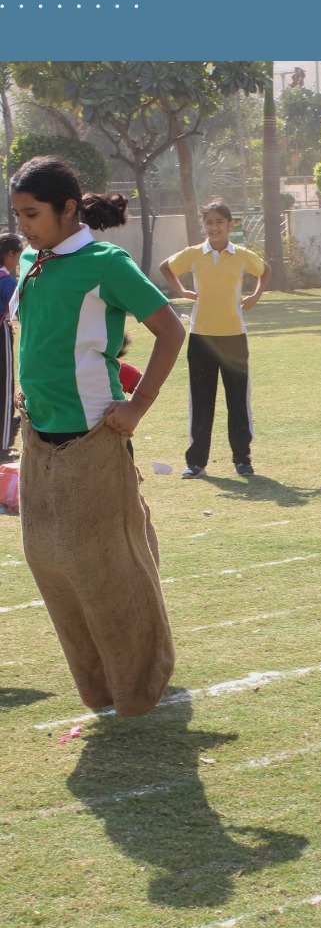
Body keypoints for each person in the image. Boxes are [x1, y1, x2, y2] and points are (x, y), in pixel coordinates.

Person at [8, 154, 185, 716]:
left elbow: (171, 330)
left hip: (91, 432)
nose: (23, 226)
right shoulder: (34, 260)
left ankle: (140, 679)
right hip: (39, 434)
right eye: (17, 215)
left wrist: (139, 405)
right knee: (51, 559)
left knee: (103, 564)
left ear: (67, 208)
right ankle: (102, 678)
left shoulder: (106, 263)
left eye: (32, 214)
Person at [160, 201, 268, 478]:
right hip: (201, 337)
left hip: (234, 338)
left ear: (230, 224)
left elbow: (264, 270)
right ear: (204, 225)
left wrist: (255, 296)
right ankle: (196, 462)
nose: (214, 227)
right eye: (209, 222)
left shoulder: (241, 255)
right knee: (201, 399)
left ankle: (242, 459)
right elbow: (166, 267)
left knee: (237, 400)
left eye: (220, 221)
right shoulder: (195, 254)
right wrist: (182, 290)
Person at [0, 232, 23, 460]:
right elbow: (21, 311)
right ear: (10, 255)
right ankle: (3, 444)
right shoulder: (7, 282)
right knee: (5, 389)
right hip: (1, 336)